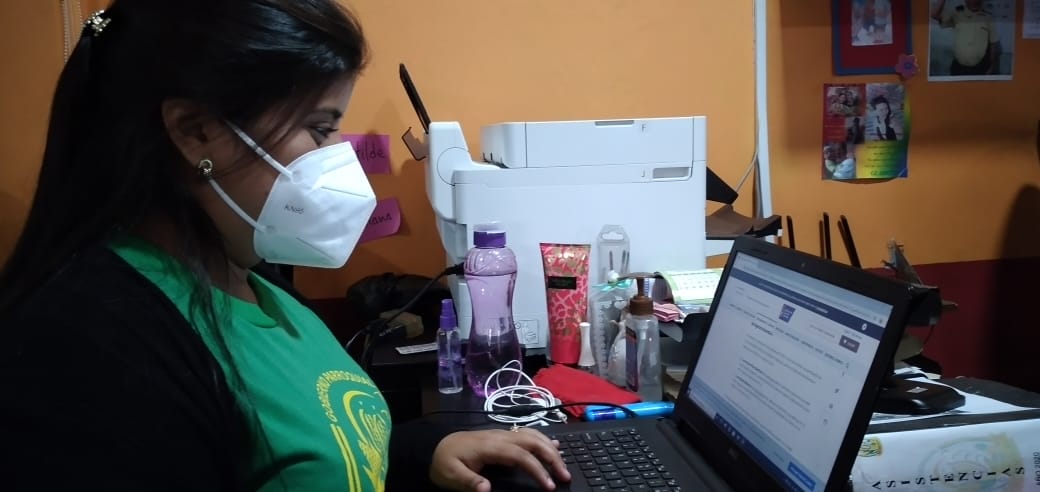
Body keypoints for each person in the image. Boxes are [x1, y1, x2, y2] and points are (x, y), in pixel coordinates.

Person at [0, 2, 569, 492]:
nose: (338, 157)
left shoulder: (251, 277)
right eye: (320, 129)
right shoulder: (88, 347)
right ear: (196, 131)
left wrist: (422, 454)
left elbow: (313, 454)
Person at [931, 0, 1000, 76]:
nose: (974, 1)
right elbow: (934, 15)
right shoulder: (957, 13)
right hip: (958, 68)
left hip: (980, 69)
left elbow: (993, 44)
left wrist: (992, 68)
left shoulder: (988, 18)